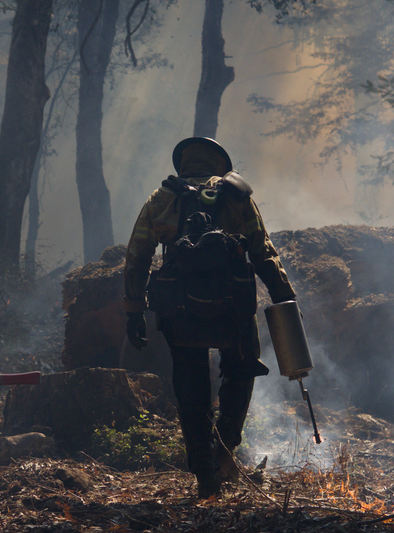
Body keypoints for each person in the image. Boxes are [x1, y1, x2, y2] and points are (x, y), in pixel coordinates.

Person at [122, 136, 297, 498]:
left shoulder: (160, 198)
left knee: (191, 384)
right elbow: (263, 251)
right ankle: (225, 448)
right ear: (220, 165)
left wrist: (134, 310)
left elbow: (137, 254)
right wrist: (284, 295)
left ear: (183, 164)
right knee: (242, 369)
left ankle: (204, 471)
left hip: (179, 309)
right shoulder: (237, 195)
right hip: (233, 306)